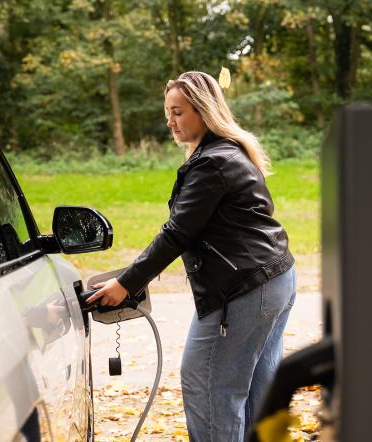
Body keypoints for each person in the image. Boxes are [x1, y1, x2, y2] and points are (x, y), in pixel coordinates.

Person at [87, 70, 296, 441]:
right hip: (274, 278)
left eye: (178, 112)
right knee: (257, 389)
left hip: (244, 287)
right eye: (168, 112)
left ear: (204, 110)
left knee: (210, 384)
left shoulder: (212, 163)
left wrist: (126, 283)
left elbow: (177, 233)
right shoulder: (227, 152)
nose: (170, 121)